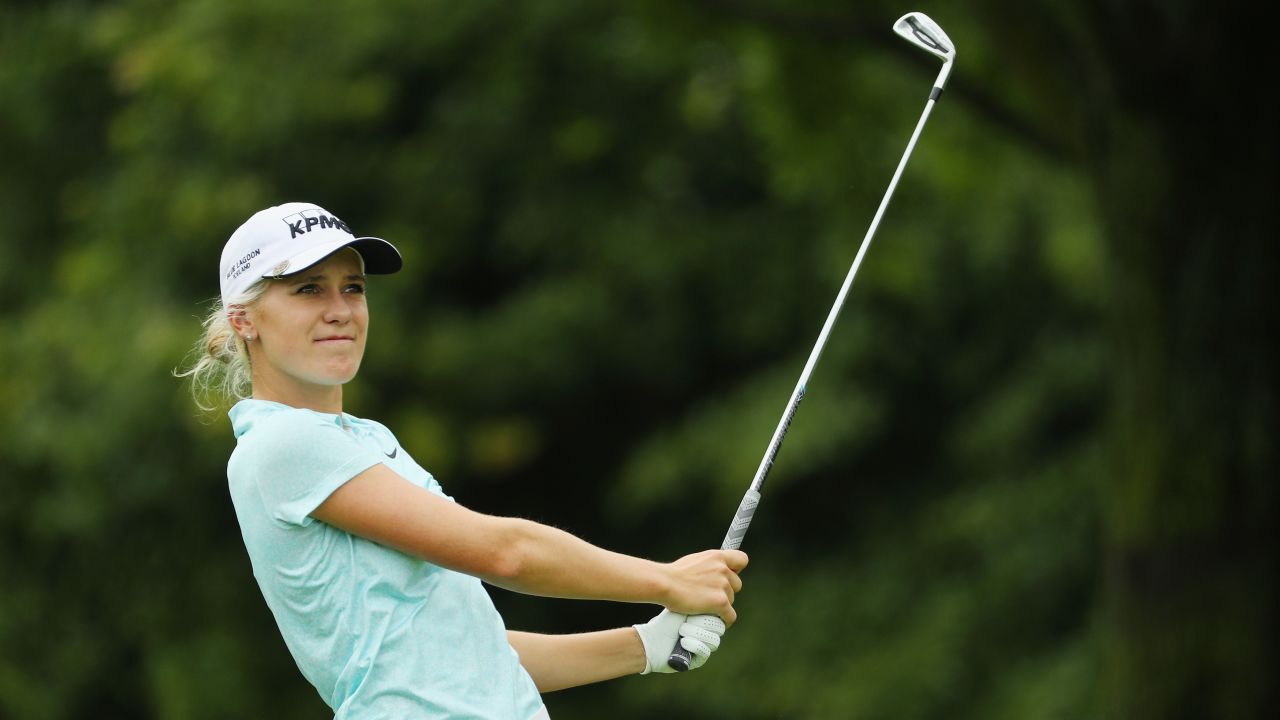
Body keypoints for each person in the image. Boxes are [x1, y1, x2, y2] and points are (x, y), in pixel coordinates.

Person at [178, 202, 748, 719]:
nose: (340, 310)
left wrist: (644, 646)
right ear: (243, 319)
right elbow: (507, 554)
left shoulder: (364, 441)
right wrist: (667, 580)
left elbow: (468, 653)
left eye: (352, 288)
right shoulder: (284, 444)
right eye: (308, 290)